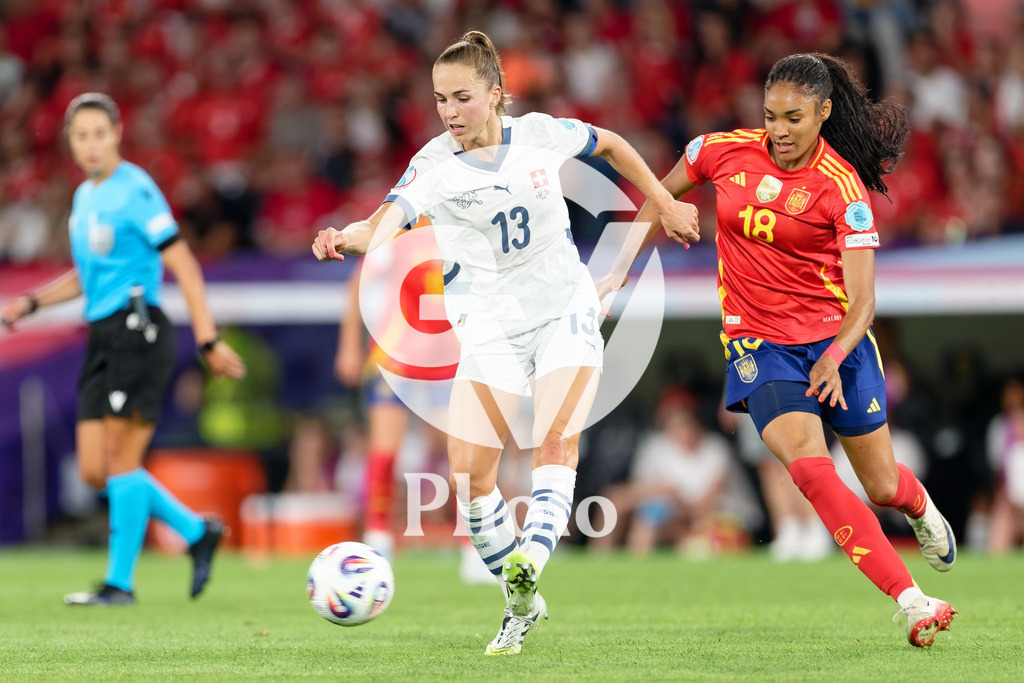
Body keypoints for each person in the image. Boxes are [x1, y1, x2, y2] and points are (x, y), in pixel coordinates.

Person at [313, 30, 699, 655]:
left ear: (497, 96)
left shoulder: (541, 134)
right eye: (440, 99)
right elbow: (384, 222)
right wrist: (346, 236)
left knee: (555, 440)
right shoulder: (433, 165)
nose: (449, 112)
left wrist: (661, 200)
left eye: (462, 98)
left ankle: (529, 572)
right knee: (469, 477)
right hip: (489, 329)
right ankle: (521, 597)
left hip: (562, 311)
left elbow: (615, 146)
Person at [598, 53, 957, 648]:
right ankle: (912, 599)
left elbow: (864, 304)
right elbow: (660, 195)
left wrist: (834, 355)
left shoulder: (844, 190)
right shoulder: (720, 150)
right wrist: (622, 267)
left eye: (793, 117)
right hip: (758, 344)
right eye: (770, 116)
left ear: (823, 112)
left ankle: (919, 507)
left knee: (882, 485)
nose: (780, 130)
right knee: (812, 471)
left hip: (836, 344)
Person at [0, 93, 247, 606]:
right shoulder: (86, 197)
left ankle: (119, 584)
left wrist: (208, 338)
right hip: (102, 335)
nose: (90, 145)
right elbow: (86, 277)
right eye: (80, 136)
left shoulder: (135, 189)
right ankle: (196, 531)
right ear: (70, 143)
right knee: (97, 469)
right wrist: (30, 303)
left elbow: (184, 264)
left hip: (138, 331)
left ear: (116, 134)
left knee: (120, 459)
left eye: (99, 133)